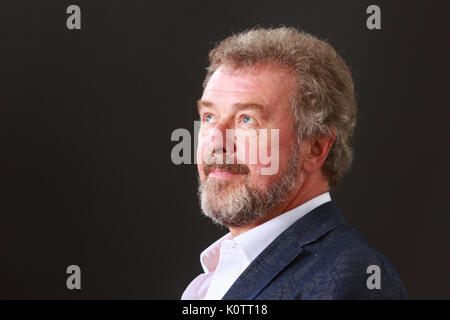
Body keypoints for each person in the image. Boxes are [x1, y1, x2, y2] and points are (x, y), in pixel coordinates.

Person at [181, 26, 407, 300]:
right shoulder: (208, 282)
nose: (216, 142)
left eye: (247, 119)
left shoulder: (353, 281)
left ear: (315, 148)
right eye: (208, 117)